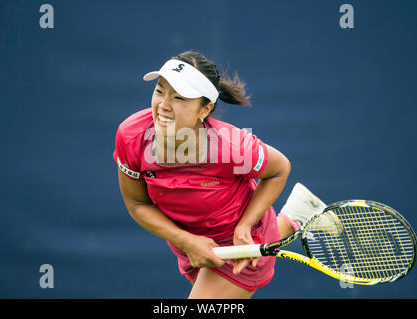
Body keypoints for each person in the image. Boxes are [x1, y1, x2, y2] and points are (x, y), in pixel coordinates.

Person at [113, 50, 326, 298]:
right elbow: (137, 203)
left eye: (179, 98)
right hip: (189, 243)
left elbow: (280, 168)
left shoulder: (232, 147)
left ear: (204, 110)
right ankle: (295, 217)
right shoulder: (131, 136)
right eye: (160, 91)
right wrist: (185, 241)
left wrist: (244, 228)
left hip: (239, 247)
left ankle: (284, 223)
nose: (164, 105)